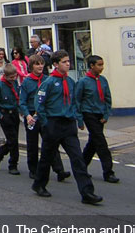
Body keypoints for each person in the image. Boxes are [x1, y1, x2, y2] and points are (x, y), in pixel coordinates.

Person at [32, 50, 102, 205]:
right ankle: (39, 184)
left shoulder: (71, 82)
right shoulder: (48, 83)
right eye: (64, 62)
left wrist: (78, 119)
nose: (68, 64)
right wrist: (45, 123)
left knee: (78, 158)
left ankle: (87, 192)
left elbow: (75, 102)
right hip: (53, 123)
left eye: (68, 61)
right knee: (46, 157)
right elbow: (39, 104)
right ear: (56, 65)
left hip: (68, 124)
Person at [20, 54, 69, 181]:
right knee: (32, 144)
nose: (40, 66)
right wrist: (27, 115)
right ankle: (33, 169)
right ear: (31, 67)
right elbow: (22, 102)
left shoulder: (48, 80)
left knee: (51, 142)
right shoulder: (26, 82)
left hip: (45, 115)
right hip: (32, 115)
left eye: (42, 64)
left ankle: (59, 170)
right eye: (37, 64)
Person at [75, 55, 119, 183]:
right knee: (101, 142)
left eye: (102, 64)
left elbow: (107, 98)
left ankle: (81, 167)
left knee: (93, 143)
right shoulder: (83, 82)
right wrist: (79, 119)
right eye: (99, 65)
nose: (102, 67)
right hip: (88, 113)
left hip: (100, 114)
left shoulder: (103, 80)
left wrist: (106, 115)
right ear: (92, 66)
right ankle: (108, 172)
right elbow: (77, 101)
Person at [0, 64, 22, 175]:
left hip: (14, 114)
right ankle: (13, 164)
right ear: (5, 75)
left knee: (13, 140)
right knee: (12, 141)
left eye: (15, 76)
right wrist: (1, 116)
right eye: (11, 77)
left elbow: (17, 98)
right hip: (5, 115)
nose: (13, 79)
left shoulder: (15, 83)